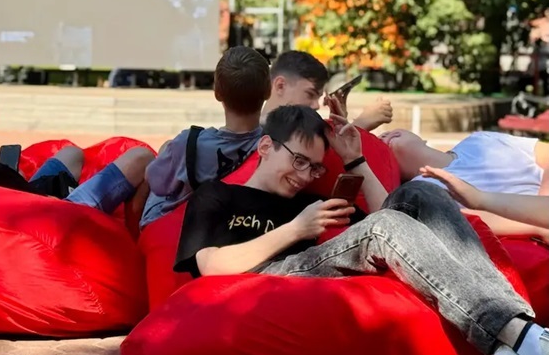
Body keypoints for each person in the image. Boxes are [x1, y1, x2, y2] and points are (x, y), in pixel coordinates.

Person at [174, 105, 548, 355]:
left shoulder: (310, 201)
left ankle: (519, 331)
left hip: (312, 262)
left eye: (315, 168)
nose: (305, 175)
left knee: (420, 193)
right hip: (265, 275)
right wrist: (296, 228)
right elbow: (210, 265)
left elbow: (395, 212)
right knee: (382, 228)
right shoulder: (217, 195)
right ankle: (518, 335)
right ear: (266, 146)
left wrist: (353, 159)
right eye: (299, 160)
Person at [0, 87, 154, 215]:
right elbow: (43, 203)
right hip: (60, 218)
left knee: (71, 154)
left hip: (21, 205)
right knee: (141, 157)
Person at [139, 46, 271, 228]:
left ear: (217, 93)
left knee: (160, 153)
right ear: (268, 91)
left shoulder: (189, 143)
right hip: (233, 225)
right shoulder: (271, 146)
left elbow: (156, 183)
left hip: (175, 227)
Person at [380, 128, 549, 241]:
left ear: (422, 138)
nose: (383, 136)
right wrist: (538, 225)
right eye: (379, 144)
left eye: (387, 131)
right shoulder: (420, 190)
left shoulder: (480, 140)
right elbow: (472, 221)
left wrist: (542, 208)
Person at [260, 50, 393, 131]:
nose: (316, 106)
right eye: (310, 94)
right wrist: (361, 124)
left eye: (318, 97)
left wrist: (340, 123)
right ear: (280, 86)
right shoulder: (261, 135)